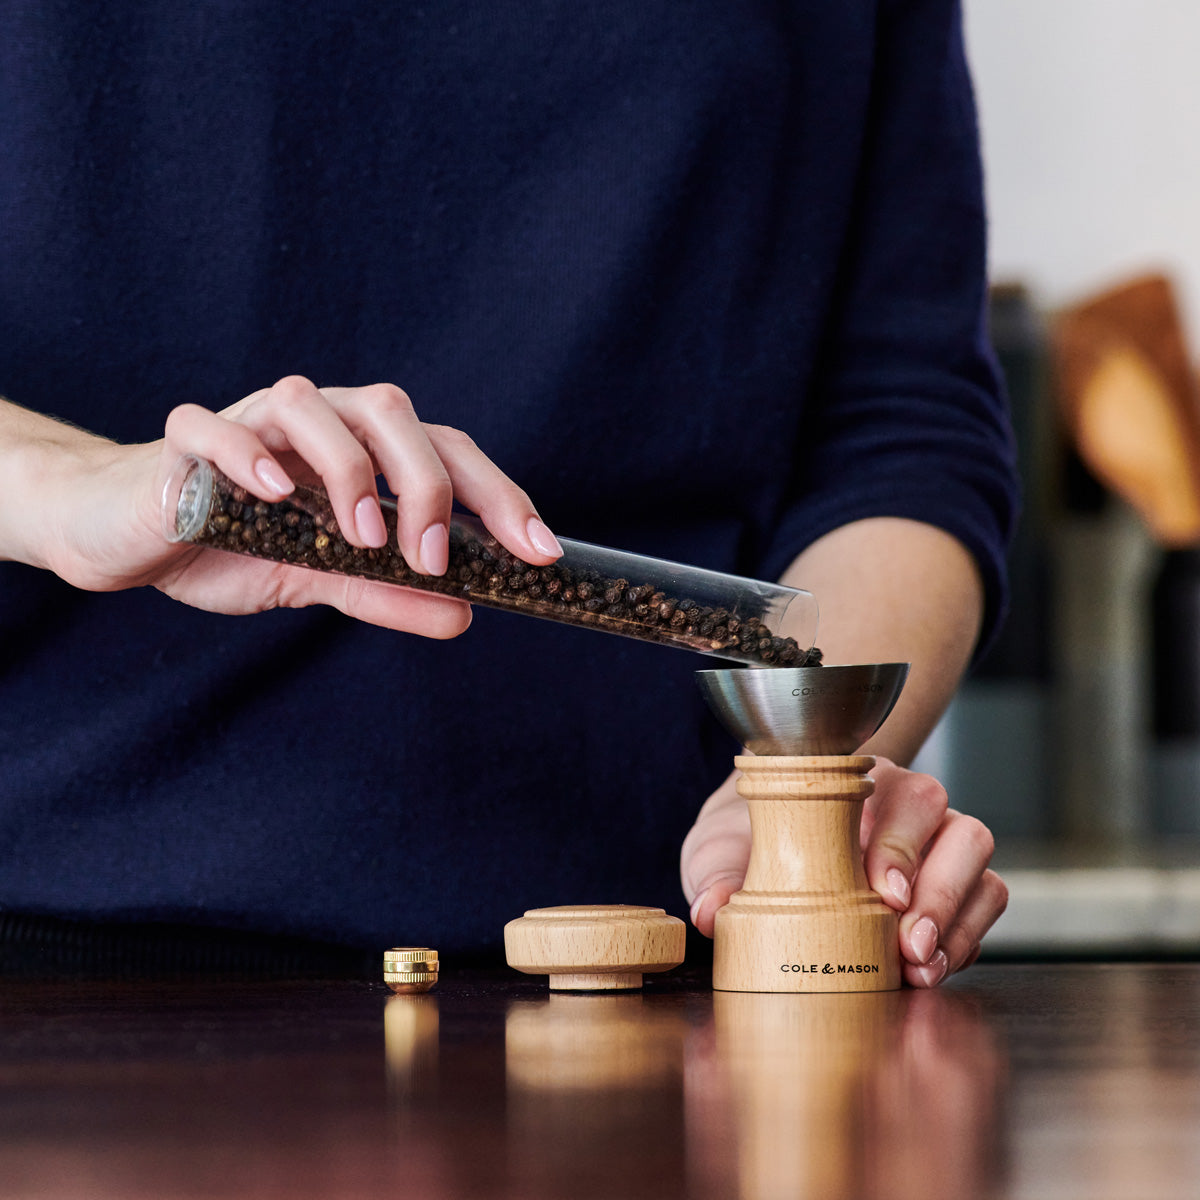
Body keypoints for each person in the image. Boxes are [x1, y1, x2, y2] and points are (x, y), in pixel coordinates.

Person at [0, 0, 1015, 987]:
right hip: (47, 962)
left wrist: (798, 795)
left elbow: (896, 423)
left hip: (655, 956)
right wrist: (61, 483)